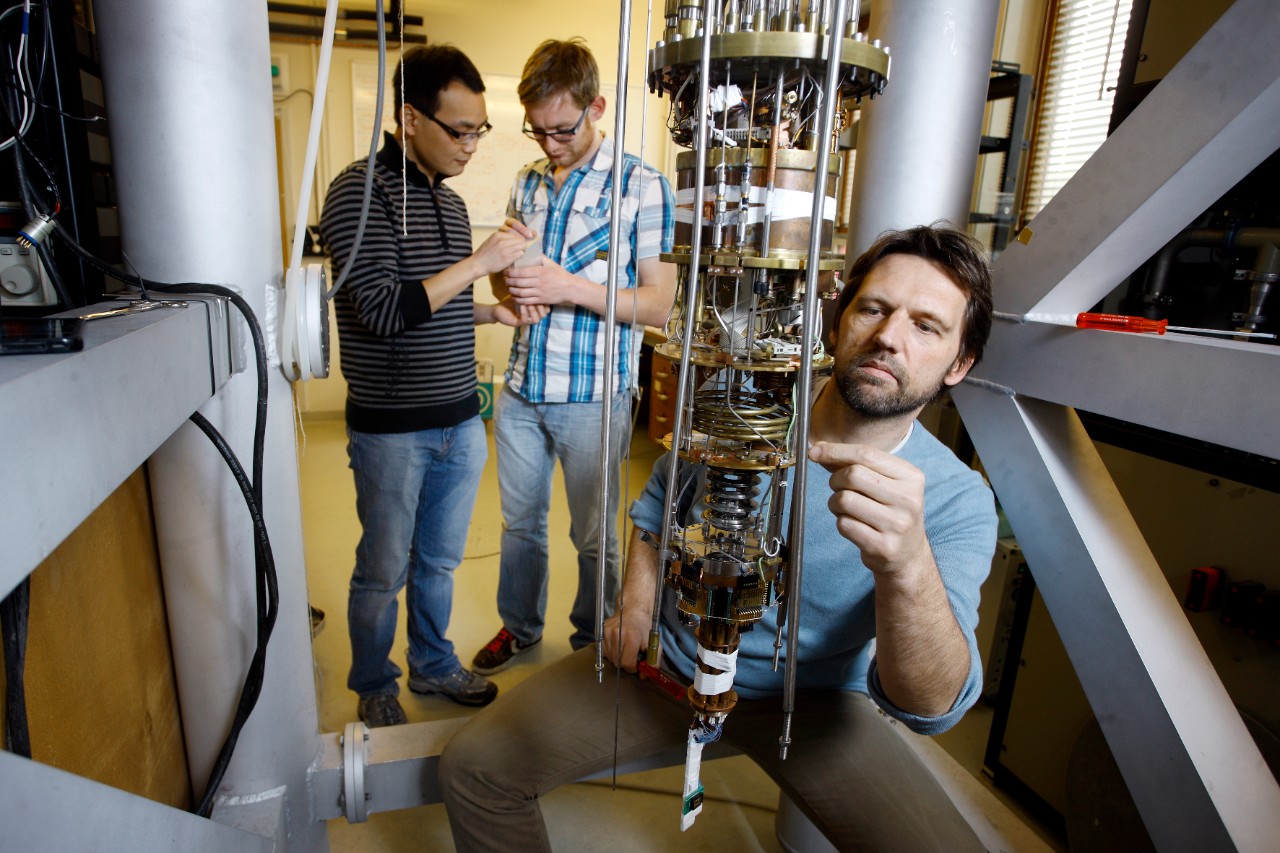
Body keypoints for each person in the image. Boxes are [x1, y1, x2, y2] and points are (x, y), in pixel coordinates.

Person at [440, 225, 999, 851]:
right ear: (840, 319)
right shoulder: (746, 403)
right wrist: (637, 600)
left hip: (811, 704)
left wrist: (908, 565)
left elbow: (931, 706)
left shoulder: (955, 500)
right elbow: (659, 502)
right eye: (874, 308)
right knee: (474, 769)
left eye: (927, 326)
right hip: (669, 671)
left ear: (959, 364)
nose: (888, 337)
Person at [318, 44, 539, 728]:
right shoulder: (358, 192)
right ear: (410, 118)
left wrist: (489, 308)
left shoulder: (446, 203)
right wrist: (479, 264)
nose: (471, 146)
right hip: (392, 431)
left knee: (438, 561)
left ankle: (433, 662)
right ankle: (374, 679)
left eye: (481, 130)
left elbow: (429, 298)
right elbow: (382, 310)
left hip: (460, 422)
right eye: (459, 130)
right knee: (383, 570)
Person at [470, 38, 676, 674]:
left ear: (597, 108)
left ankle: (594, 642)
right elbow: (505, 277)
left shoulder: (642, 185)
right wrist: (513, 290)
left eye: (561, 130)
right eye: (537, 132)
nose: (549, 146)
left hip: (593, 395)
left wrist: (567, 288)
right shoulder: (525, 180)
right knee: (519, 527)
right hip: (523, 386)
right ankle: (520, 628)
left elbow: (658, 306)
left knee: (595, 536)